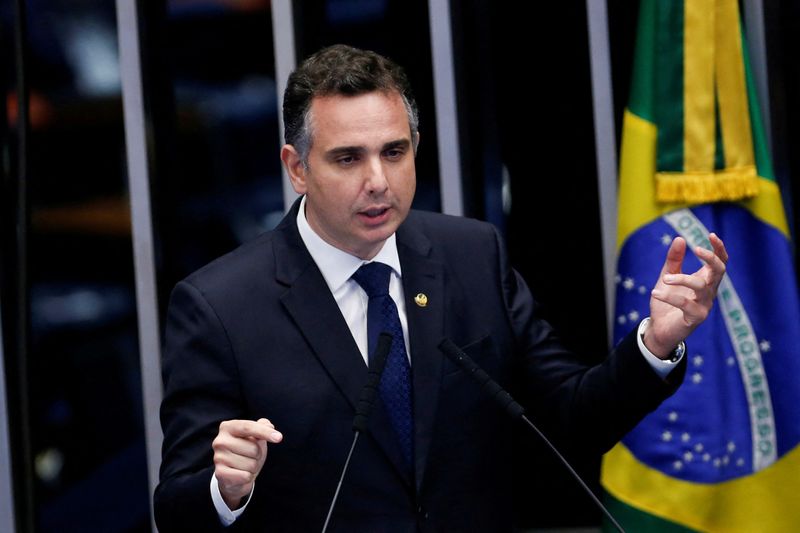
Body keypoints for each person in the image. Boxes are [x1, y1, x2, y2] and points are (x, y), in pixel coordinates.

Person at [154, 44, 728, 532]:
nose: (378, 181)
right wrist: (225, 490)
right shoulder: (220, 306)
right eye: (348, 158)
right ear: (297, 168)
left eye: (394, 152)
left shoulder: (472, 255)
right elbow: (177, 510)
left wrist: (654, 345)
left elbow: (567, 421)